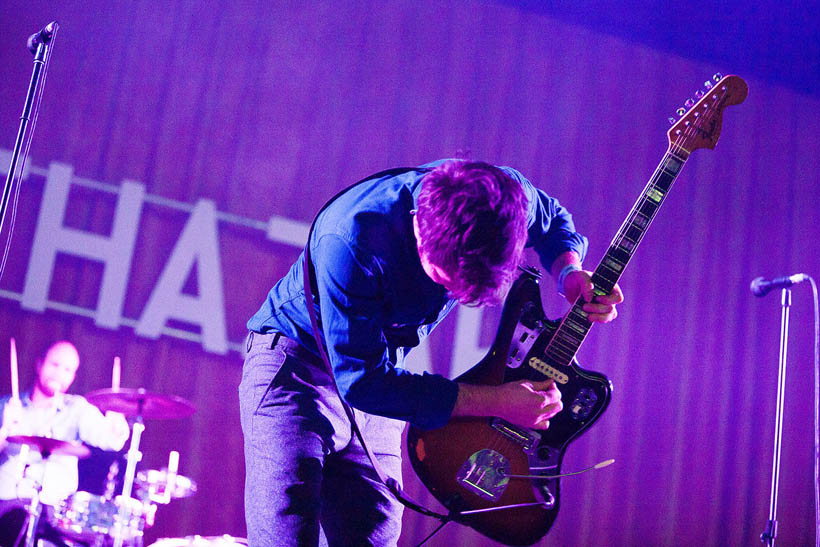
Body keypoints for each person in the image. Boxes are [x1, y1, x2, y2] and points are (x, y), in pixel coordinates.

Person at [239, 159, 623, 546]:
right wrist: (496, 402)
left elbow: (553, 220)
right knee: (285, 536)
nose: (458, 295)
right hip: (297, 367)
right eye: (447, 280)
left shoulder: (507, 200)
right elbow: (362, 382)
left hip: (381, 370)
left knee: (375, 535)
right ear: (420, 233)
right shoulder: (353, 238)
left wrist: (571, 272)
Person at [0, 340, 130, 543]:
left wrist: (118, 423)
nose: (60, 374)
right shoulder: (7, 405)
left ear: (73, 376)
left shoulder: (77, 408)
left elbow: (112, 441)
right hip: (6, 504)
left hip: (54, 510)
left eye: (68, 369)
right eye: (55, 365)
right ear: (39, 364)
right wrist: (5, 429)